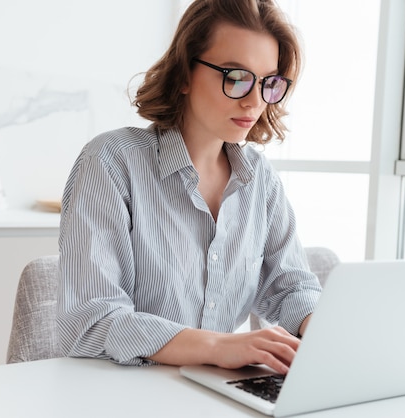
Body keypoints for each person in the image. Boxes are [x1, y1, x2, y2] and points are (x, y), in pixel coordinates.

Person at [57, 0, 322, 376]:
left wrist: (326, 335)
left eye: (268, 83)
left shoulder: (260, 180)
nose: (255, 100)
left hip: (213, 392)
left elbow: (290, 288)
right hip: (119, 395)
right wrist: (218, 346)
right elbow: (91, 320)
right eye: (235, 77)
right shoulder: (111, 162)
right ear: (184, 73)